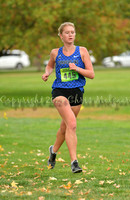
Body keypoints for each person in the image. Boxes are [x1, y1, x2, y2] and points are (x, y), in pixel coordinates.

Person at [42, 22, 95, 173]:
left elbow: (91, 74)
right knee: (72, 124)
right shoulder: (55, 52)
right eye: (67, 32)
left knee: (65, 126)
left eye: (73, 32)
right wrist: (47, 73)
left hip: (77, 92)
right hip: (59, 91)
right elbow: (50, 65)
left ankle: (53, 151)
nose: (70, 35)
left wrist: (77, 68)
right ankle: (74, 162)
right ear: (61, 35)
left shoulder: (82, 51)